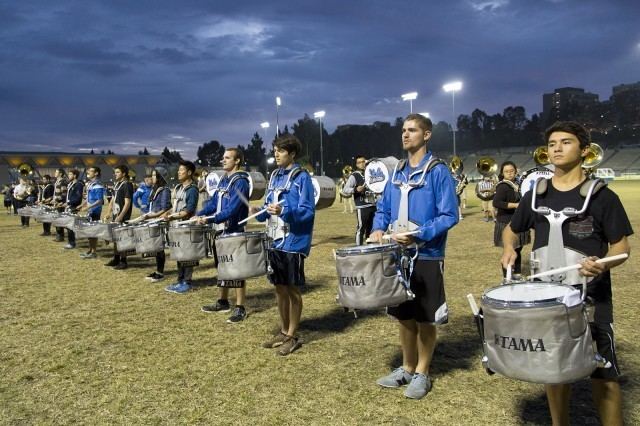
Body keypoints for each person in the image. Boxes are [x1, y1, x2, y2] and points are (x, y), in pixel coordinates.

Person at [501, 121, 632, 426]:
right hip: (545, 296)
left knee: (604, 373)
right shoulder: (536, 195)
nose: (557, 148)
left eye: (566, 142)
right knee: (554, 369)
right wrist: (510, 249)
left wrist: (604, 263)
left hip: (590, 297)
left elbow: (621, 246)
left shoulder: (601, 196)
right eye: (552, 144)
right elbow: (512, 230)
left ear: (585, 151)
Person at [370, 114, 459, 400]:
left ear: (427, 134)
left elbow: (449, 215)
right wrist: (377, 228)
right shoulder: (396, 171)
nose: (406, 135)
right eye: (404, 130)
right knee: (403, 315)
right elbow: (383, 208)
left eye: (412, 130)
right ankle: (407, 367)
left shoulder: (438, 171)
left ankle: (423, 372)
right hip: (397, 253)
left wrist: (420, 234)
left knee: (425, 317)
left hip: (427, 253)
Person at [255, 135, 315, 356]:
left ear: (292, 154)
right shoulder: (274, 176)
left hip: (293, 242)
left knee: (292, 289)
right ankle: (283, 330)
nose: (276, 154)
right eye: (275, 150)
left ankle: (292, 335)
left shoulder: (302, 178)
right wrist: (258, 213)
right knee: (279, 288)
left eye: (280, 151)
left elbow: (307, 212)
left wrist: (285, 211)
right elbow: (267, 206)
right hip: (275, 239)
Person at [196, 148, 250, 322]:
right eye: (223, 158)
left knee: (236, 270)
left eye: (227, 158)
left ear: (237, 161)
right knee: (222, 267)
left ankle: (240, 307)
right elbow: (214, 202)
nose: (223, 160)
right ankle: (223, 301)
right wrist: (200, 213)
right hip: (220, 230)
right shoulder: (224, 180)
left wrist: (210, 218)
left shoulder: (240, 181)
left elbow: (233, 209)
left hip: (234, 230)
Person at [163, 160, 200, 294]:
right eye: (178, 170)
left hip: (186, 228)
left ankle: (187, 281)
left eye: (181, 170)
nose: (178, 172)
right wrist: (168, 213)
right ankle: (180, 280)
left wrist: (173, 216)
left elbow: (189, 210)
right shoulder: (179, 188)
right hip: (176, 227)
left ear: (189, 172)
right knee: (179, 254)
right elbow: (175, 207)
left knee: (187, 255)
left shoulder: (192, 189)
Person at [492, 161, 529, 279]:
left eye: (511, 171)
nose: (509, 173)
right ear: (502, 173)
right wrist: (516, 205)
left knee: (518, 249)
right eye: (506, 171)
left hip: (518, 220)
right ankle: (506, 277)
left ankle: (516, 274)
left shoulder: (517, 184)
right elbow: (496, 203)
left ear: (516, 171)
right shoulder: (503, 186)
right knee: (509, 250)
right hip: (506, 221)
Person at [141, 169, 172, 282]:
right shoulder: (156, 189)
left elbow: (165, 208)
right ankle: (158, 270)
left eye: (154, 175)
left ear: (160, 177)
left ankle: (160, 272)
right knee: (156, 247)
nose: (152, 177)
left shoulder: (165, 190)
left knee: (159, 248)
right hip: (153, 220)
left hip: (159, 221)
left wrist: (151, 216)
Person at [341, 155, 376, 244]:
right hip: (362, 206)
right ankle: (359, 248)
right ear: (356, 164)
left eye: (363, 161)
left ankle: (369, 248)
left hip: (372, 205)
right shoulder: (354, 175)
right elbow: (345, 190)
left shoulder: (370, 173)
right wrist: (355, 189)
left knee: (371, 229)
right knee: (361, 228)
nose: (362, 164)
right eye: (359, 162)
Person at [105, 165, 134, 269]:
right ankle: (116, 258)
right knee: (116, 238)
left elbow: (128, 202)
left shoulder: (127, 185)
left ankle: (123, 261)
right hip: (115, 215)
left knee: (122, 239)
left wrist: (121, 216)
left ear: (124, 174)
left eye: (117, 172)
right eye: (115, 172)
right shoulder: (117, 184)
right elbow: (112, 199)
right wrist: (108, 212)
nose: (115, 174)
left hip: (122, 216)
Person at [79, 167, 105, 259]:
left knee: (93, 232)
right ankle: (90, 250)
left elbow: (100, 200)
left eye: (90, 171)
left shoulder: (98, 185)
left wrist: (88, 207)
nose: (88, 172)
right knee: (89, 232)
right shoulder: (91, 184)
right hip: (90, 211)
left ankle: (93, 252)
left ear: (96, 173)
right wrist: (82, 205)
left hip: (95, 211)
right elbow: (88, 198)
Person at [63, 169, 84, 249]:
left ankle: (72, 243)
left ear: (75, 175)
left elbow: (78, 198)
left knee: (71, 226)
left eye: (70, 174)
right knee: (68, 225)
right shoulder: (71, 184)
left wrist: (68, 202)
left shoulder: (78, 185)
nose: (69, 176)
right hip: (68, 206)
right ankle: (70, 241)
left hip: (73, 207)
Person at [52, 168, 68, 242]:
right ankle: (59, 235)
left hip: (60, 204)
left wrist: (56, 199)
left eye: (56, 172)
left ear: (60, 173)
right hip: (57, 203)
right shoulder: (57, 181)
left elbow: (64, 194)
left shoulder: (63, 182)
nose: (55, 173)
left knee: (59, 220)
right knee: (57, 219)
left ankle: (60, 236)